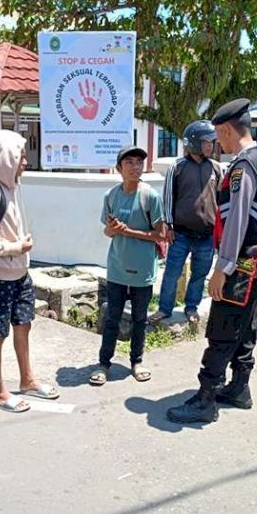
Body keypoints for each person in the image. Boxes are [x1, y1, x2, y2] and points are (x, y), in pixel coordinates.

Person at [166, 98, 257, 424]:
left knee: (222, 330)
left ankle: (205, 400)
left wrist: (222, 268)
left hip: (241, 264)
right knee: (244, 328)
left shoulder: (243, 167)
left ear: (228, 130)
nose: (217, 144)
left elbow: (238, 221)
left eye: (218, 136)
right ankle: (239, 388)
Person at [0, 130, 59, 413]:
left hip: (19, 273)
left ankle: (27, 380)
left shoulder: (10, 187)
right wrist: (15, 247)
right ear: (6, 158)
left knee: (24, 325)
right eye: (20, 156)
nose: (24, 161)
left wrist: (20, 250)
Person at [88, 145, 165, 386]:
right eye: (129, 162)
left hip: (143, 269)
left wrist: (128, 231)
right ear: (119, 167)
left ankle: (137, 361)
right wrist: (113, 229)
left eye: (139, 163)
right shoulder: (110, 195)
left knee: (140, 319)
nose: (135, 167)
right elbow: (107, 231)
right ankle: (104, 363)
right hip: (117, 267)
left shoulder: (150, 196)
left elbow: (160, 234)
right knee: (112, 317)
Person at [148, 120, 220, 325]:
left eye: (211, 142)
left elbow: (221, 198)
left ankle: (191, 307)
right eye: (207, 142)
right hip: (180, 234)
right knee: (172, 273)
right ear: (194, 142)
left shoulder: (215, 167)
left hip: (206, 235)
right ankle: (164, 309)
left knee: (200, 274)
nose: (210, 146)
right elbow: (168, 197)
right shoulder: (177, 167)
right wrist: (168, 225)